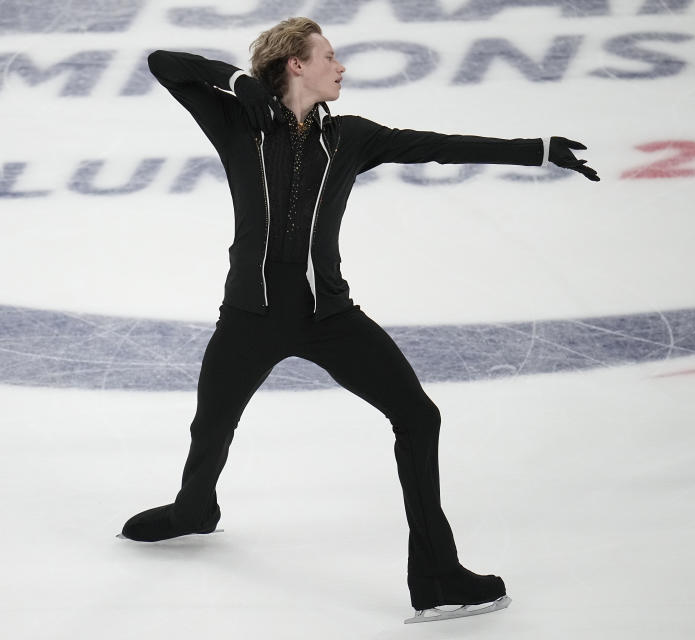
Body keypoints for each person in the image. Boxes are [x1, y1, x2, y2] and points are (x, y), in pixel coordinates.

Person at [120, 17, 598, 620]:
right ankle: (195, 507)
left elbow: (436, 146)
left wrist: (539, 152)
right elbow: (165, 61)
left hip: (329, 317)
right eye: (329, 56)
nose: (340, 67)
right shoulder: (238, 122)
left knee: (419, 418)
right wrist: (238, 80)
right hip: (250, 316)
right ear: (296, 63)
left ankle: (438, 574)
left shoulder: (350, 138)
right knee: (211, 424)